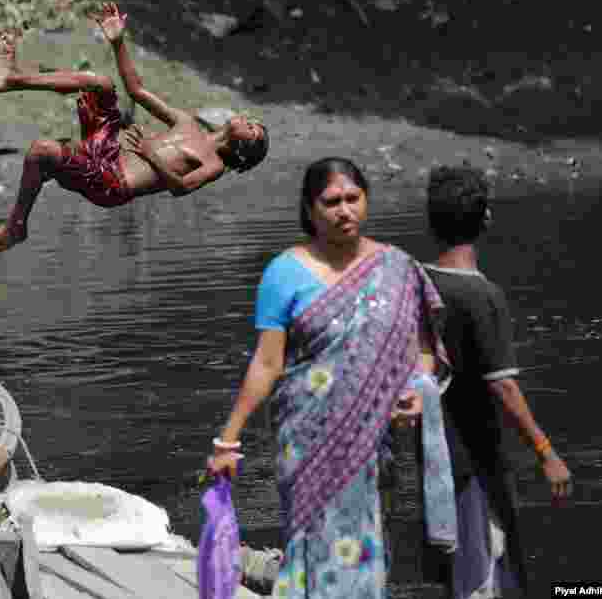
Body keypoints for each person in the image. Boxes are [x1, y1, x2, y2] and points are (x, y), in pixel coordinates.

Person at [208, 157, 456, 598]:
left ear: (366, 201)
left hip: (373, 441)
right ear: (310, 209)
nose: (345, 210)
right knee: (311, 541)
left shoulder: (397, 269)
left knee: (367, 542)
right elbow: (267, 363)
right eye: (332, 201)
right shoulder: (284, 273)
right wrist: (228, 440)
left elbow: (422, 349)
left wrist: (418, 388)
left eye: (353, 199)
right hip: (306, 441)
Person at [0, 2, 269, 254]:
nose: (249, 121)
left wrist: (151, 154)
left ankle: (15, 227)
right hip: (107, 152)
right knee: (99, 83)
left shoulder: (214, 163)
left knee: (42, 149)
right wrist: (118, 42)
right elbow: (137, 91)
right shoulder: (188, 122)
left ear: (243, 149)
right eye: (253, 121)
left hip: (113, 183)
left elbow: (180, 189)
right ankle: (12, 80)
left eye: (253, 130)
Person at [424, 166, 571, 599]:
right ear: (485, 219)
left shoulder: (421, 282)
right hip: (475, 463)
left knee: (459, 569)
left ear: (432, 223)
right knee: (483, 573)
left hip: (434, 457)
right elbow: (503, 388)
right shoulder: (482, 296)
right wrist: (546, 452)